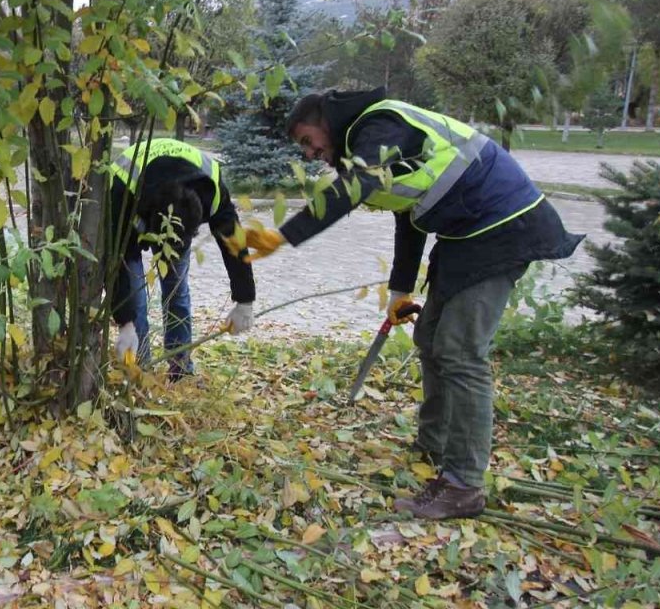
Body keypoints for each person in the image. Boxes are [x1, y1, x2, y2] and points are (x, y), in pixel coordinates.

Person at [247, 88, 584, 519]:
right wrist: (400, 289)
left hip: (504, 228)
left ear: (325, 118)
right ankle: (435, 446)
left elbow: (355, 188)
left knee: (460, 353)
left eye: (307, 138)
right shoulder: (369, 143)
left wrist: (285, 234)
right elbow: (408, 212)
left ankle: (463, 485)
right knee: (430, 338)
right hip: (467, 235)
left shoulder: (380, 125)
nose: (310, 152)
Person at [109, 138, 256, 380]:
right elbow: (117, 261)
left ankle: (181, 368)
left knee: (176, 290)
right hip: (131, 216)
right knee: (135, 299)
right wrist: (125, 322)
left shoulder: (212, 189)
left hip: (174, 208)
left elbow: (235, 244)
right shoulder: (122, 189)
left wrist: (245, 300)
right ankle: (137, 370)